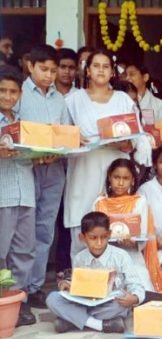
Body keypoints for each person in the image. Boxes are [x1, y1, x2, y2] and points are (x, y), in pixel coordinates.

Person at [64, 49, 151, 260]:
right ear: (87, 70)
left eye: (105, 66)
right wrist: (73, 139)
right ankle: (82, 279)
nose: (101, 70)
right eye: (96, 66)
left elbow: (137, 139)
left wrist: (127, 143)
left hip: (114, 168)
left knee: (115, 224)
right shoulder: (72, 100)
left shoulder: (122, 99)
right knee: (81, 223)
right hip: (84, 169)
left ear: (112, 72)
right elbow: (61, 136)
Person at [17, 44, 71, 308]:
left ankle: (35, 286)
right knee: (23, 231)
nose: (49, 75)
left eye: (53, 70)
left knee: (45, 229)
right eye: (44, 69)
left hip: (54, 170)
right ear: (30, 66)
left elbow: (67, 134)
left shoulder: (59, 99)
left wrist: (60, 152)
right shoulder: (18, 94)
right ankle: (18, 288)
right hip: (25, 169)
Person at [46, 212, 144, 334]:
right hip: (85, 304)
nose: (99, 243)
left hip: (110, 305)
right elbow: (77, 286)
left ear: (109, 234)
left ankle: (73, 320)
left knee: (121, 305)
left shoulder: (121, 256)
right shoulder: (79, 258)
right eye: (93, 238)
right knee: (52, 299)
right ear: (82, 238)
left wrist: (134, 299)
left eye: (103, 237)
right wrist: (67, 285)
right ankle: (101, 325)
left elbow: (136, 284)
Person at [0, 65, 37, 326]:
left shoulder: (23, 123)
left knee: (24, 252)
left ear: (20, 94)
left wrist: (44, 155)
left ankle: (18, 302)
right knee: (1, 252)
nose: (7, 96)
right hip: (2, 195)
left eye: (13, 91)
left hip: (26, 193)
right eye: (2, 90)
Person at [92, 159, 162, 292]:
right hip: (106, 258)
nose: (120, 183)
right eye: (116, 177)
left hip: (132, 257)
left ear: (132, 181)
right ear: (109, 178)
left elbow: (143, 237)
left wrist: (132, 243)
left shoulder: (140, 202)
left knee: (142, 293)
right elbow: (93, 235)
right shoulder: (100, 203)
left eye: (125, 178)